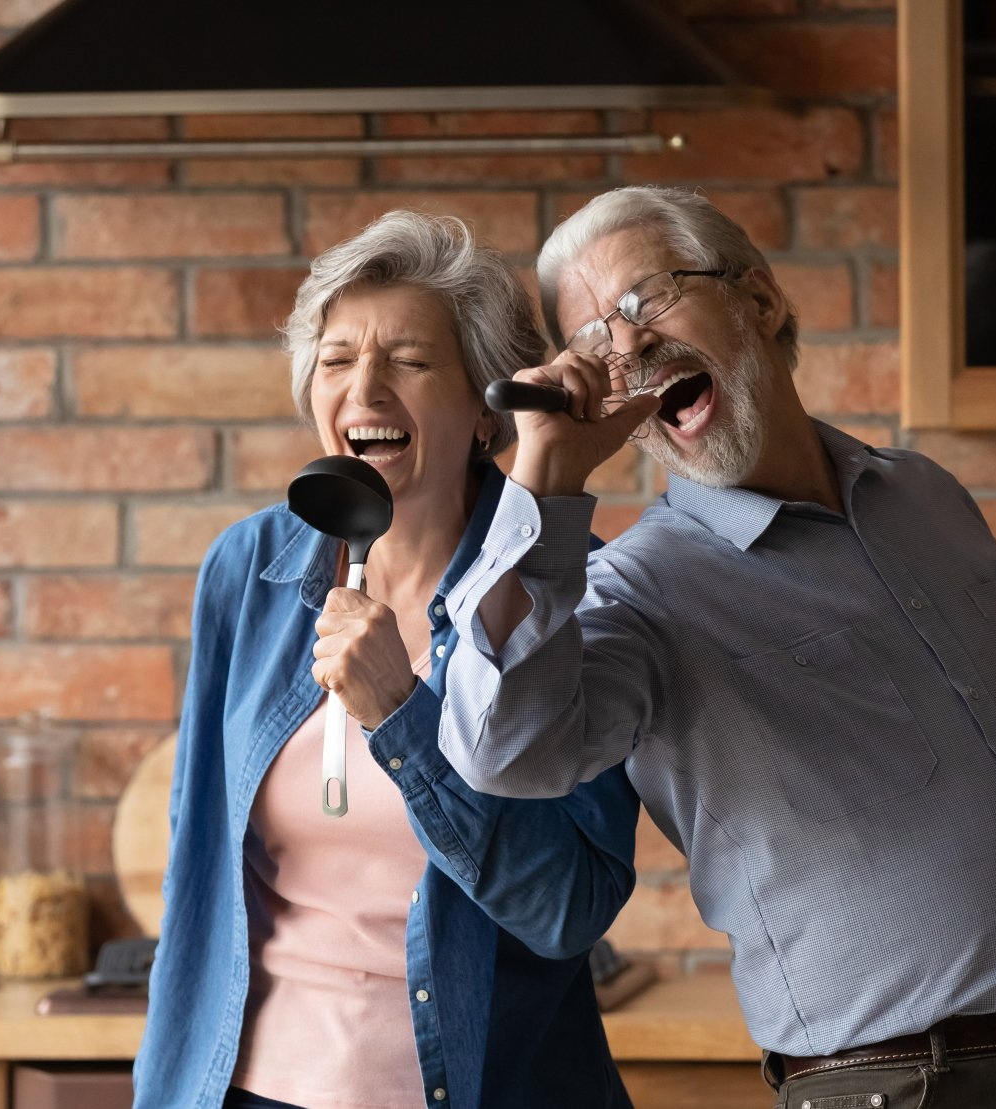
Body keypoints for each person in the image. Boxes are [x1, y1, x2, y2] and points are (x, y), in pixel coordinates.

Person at [437, 186, 996, 1108]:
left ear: (761, 299)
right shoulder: (638, 593)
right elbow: (501, 748)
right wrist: (543, 479)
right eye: (589, 339)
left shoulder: (923, 497)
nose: (624, 347)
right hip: (900, 1089)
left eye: (646, 299)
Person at [134, 211, 640, 1109]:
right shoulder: (246, 569)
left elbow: (567, 908)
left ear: (486, 412)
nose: (364, 387)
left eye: (408, 360)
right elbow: (197, 871)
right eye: (336, 360)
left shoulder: (574, 587)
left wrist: (399, 712)